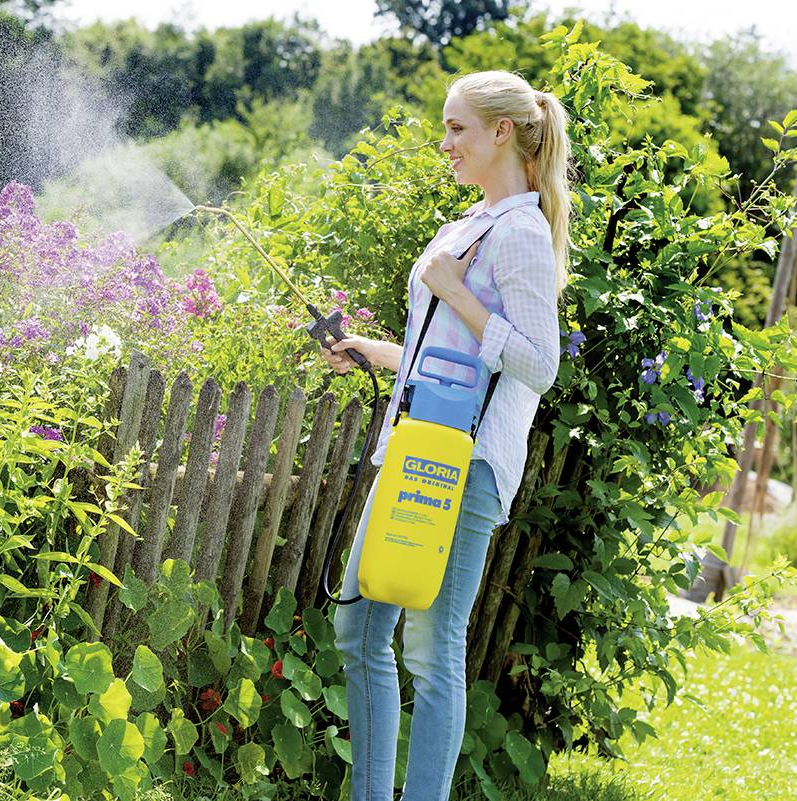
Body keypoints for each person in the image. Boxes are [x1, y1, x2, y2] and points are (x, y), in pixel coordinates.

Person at [321, 70, 571, 801]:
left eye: (457, 128)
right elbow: (447, 350)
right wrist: (373, 351)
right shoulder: (468, 224)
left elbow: (541, 364)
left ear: (502, 132)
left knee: (432, 653)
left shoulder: (521, 232)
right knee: (360, 629)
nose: (446, 142)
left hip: (469, 465)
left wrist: (455, 290)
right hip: (416, 448)